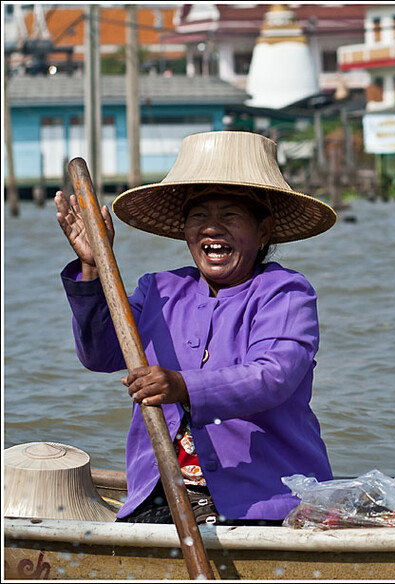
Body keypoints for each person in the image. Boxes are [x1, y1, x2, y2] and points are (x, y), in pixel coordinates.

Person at [55, 131, 337, 525]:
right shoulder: (160, 289)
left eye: (230, 216)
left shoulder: (286, 292)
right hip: (162, 490)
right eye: (199, 216)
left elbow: (274, 375)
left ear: (264, 231)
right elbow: (101, 354)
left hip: (264, 496)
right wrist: (92, 266)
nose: (212, 229)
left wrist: (183, 386)